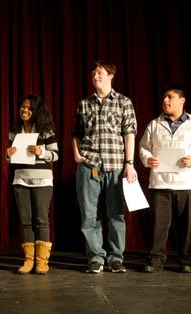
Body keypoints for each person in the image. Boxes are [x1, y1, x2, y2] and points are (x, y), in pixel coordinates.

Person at [72, 60, 138, 274]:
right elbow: (77, 133)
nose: (95, 76)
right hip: (89, 165)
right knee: (90, 215)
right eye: (93, 73)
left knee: (116, 214)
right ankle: (95, 258)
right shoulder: (85, 104)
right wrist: (76, 152)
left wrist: (130, 163)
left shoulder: (123, 102)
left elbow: (129, 134)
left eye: (99, 73)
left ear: (111, 75)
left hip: (115, 165)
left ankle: (116, 257)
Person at [139, 84, 191, 273]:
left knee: (186, 225)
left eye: (170, 97)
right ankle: (156, 260)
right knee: (158, 225)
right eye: (164, 98)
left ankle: (186, 260)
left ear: (182, 100)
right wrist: (147, 159)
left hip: (185, 182)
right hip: (160, 183)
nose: (165, 101)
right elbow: (143, 147)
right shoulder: (154, 124)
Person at [5, 94, 59, 274]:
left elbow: (55, 155)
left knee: (41, 220)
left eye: (29, 108)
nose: (24, 110)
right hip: (20, 178)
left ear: (36, 110)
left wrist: (40, 152)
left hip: (42, 179)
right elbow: (10, 156)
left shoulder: (46, 130)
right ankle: (28, 260)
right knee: (26, 221)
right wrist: (8, 154)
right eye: (22, 107)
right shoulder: (15, 130)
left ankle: (42, 261)